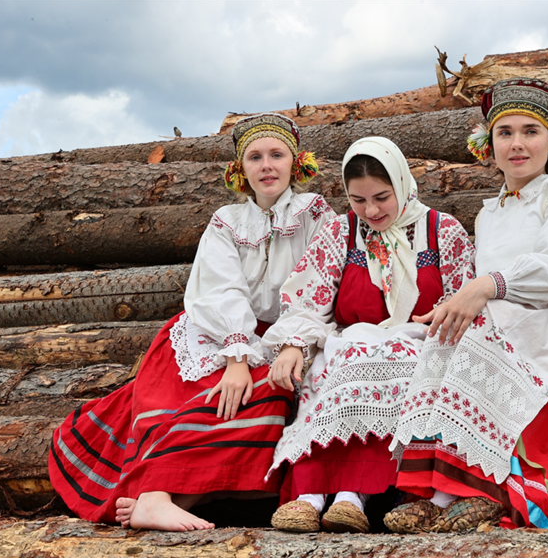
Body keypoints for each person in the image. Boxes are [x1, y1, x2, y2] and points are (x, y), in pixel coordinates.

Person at [48, 113, 335, 531]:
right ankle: (157, 497)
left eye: (277, 154)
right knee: (212, 396)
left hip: (289, 332)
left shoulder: (316, 215)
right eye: (255, 157)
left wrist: (292, 342)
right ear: (241, 170)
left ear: (296, 162)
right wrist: (237, 355)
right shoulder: (228, 221)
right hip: (218, 332)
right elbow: (219, 289)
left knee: (267, 403)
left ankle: (161, 499)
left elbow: (319, 283)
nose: (267, 165)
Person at [385, 78, 548, 533]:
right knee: (443, 338)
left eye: (531, 132)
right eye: (505, 132)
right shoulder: (490, 212)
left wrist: (484, 289)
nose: (517, 144)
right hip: (510, 321)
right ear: (489, 144)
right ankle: (441, 492)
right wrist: (454, 303)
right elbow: (488, 283)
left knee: (474, 343)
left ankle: (473, 494)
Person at [261, 136, 475, 533]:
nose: (371, 211)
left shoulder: (441, 231)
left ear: (402, 183)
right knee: (336, 368)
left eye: (381, 197)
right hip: (350, 341)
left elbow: (464, 299)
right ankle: (309, 496)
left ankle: (352, 495)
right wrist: (292, 343)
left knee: (391, 366)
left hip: (420, 341)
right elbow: (308, 297)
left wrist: (437, 324)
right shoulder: (339, 234)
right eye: (358, 201)